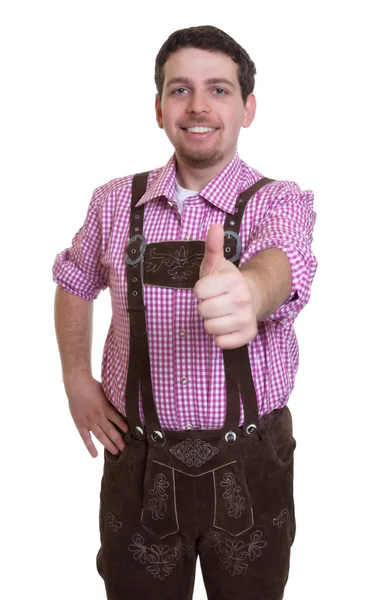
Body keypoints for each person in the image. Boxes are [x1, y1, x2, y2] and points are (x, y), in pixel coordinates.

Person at [53, 24, 317, 600]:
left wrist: (250, 290)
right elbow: (74, 280)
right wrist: (76, 378)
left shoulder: (280, 201)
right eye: (180, 90)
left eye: (219, 90)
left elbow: (285, 261)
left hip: (252, 460)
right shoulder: (113, 201)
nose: (198, 106)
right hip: (138, 459)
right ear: (158, 107)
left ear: (248, 108)